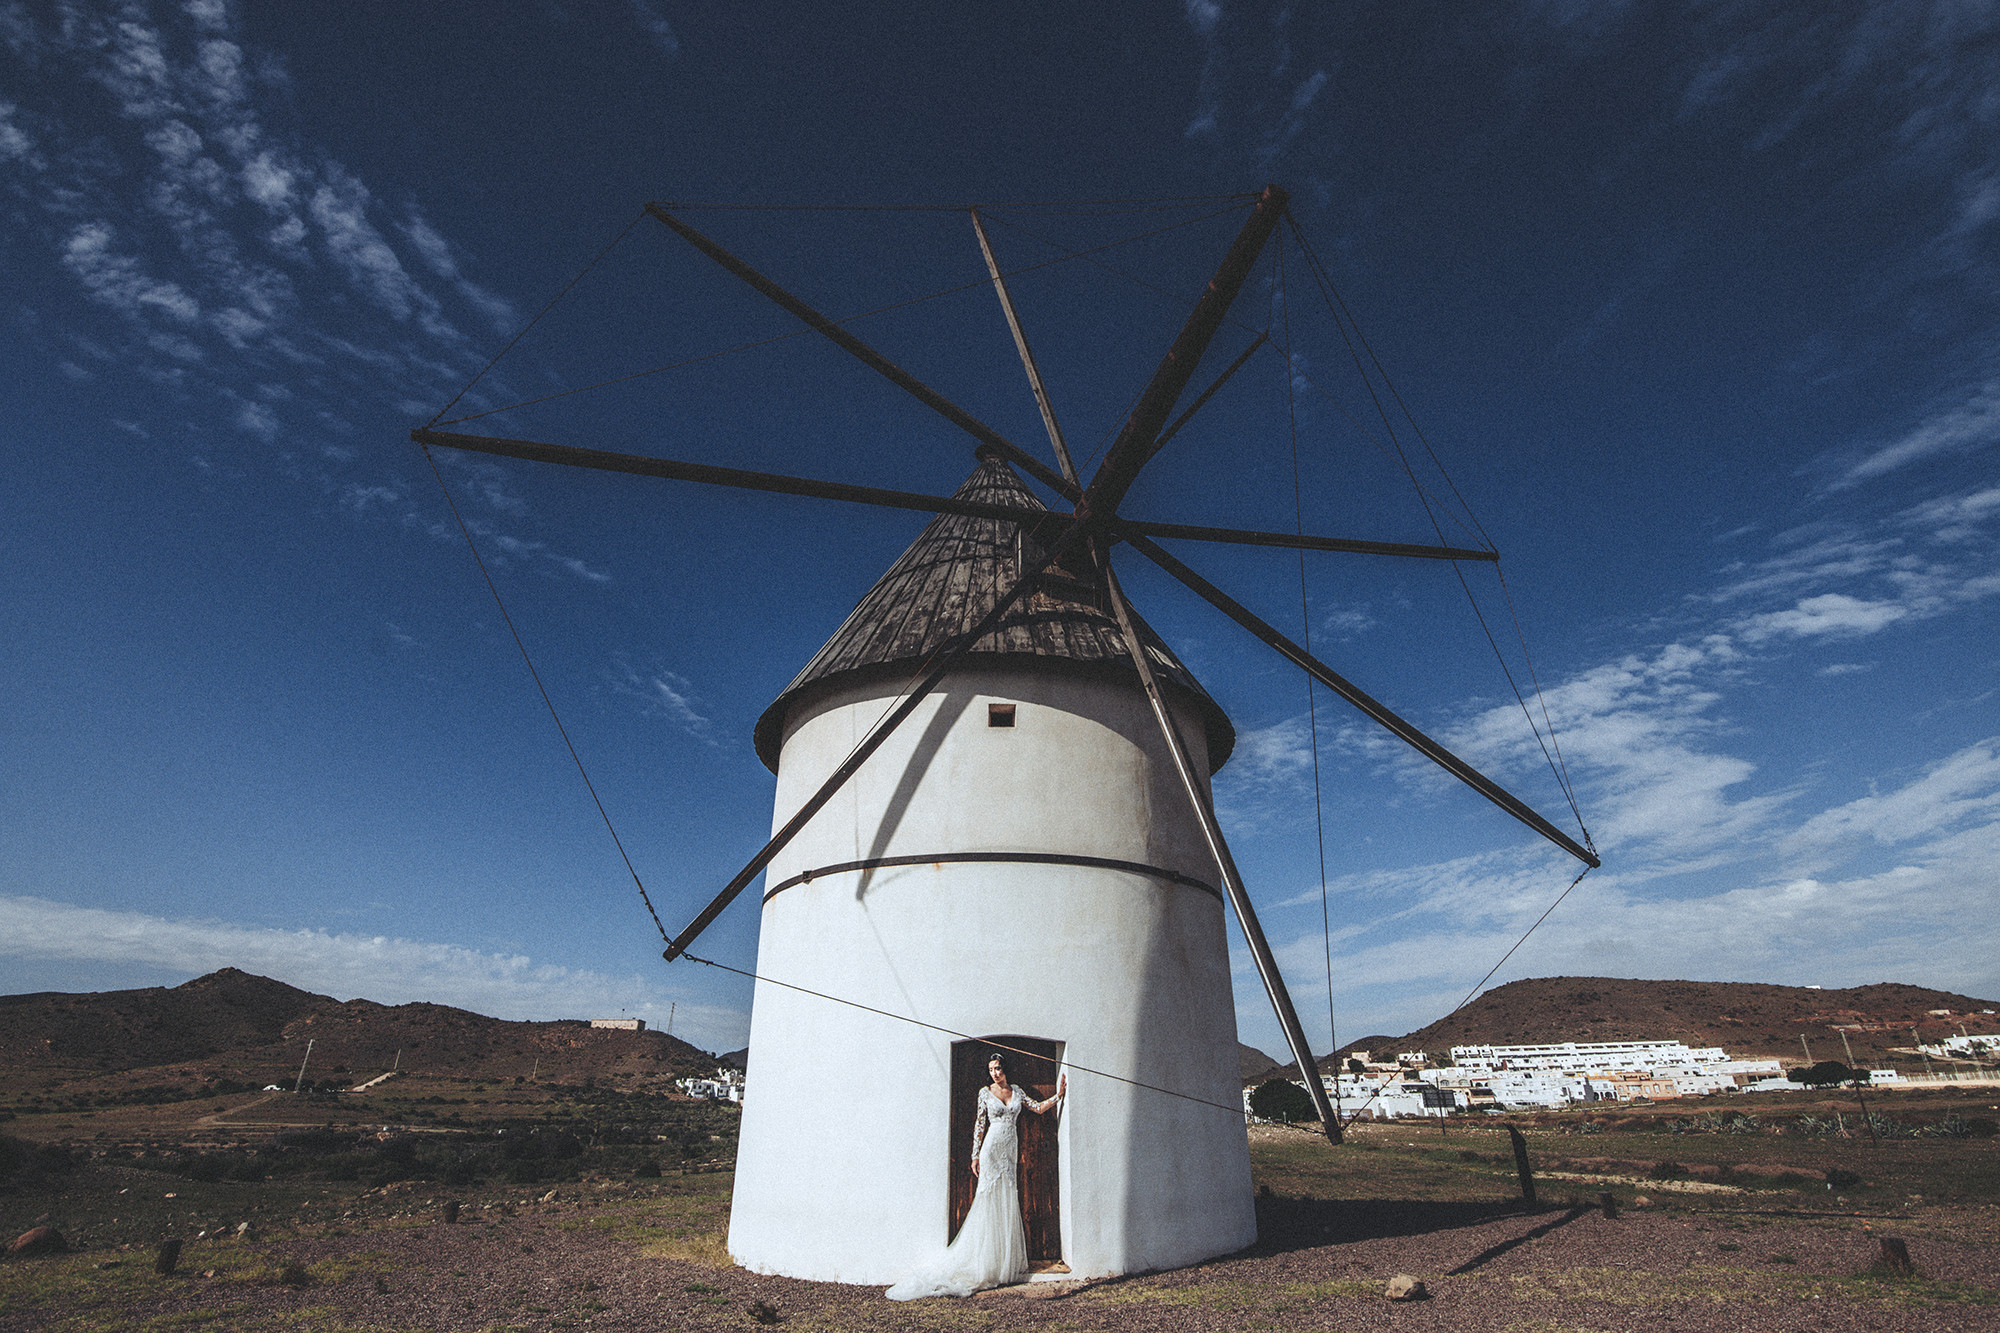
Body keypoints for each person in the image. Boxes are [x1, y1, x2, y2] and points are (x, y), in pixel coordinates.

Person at [885, 1052, 1066, 1300]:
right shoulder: (985, 1092)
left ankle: (1002, 1263)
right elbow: (979, 1124)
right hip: (991, 1150)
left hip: (1010, 1150)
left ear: (1005, 1069)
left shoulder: (1017, 1091)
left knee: (1007, 1198)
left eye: (998, 1068)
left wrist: (1059, 1096)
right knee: (988, 1198)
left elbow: (1036, 1108)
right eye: (991, 1069)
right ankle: (984, 1262)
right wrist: (975, 1156)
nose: (995, 1072)